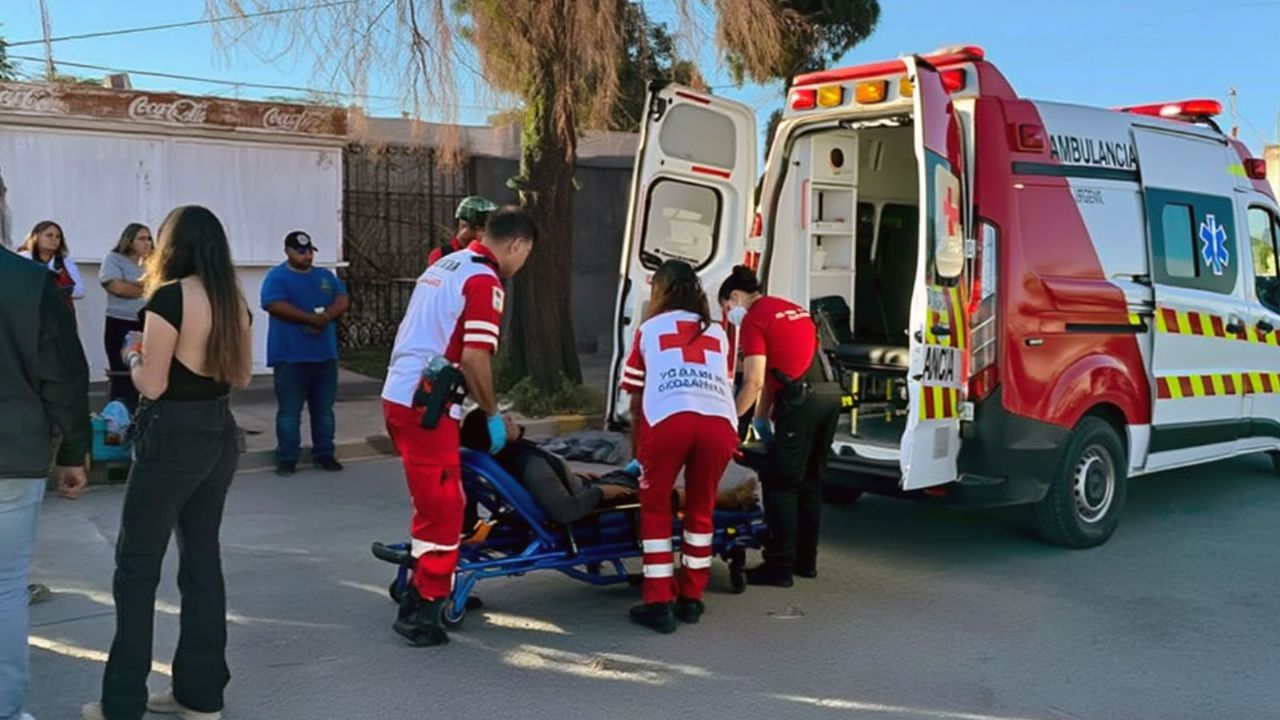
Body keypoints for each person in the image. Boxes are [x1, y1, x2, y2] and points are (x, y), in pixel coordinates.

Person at [82, 206, 253, 720]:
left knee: (136, 568)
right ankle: (201, 695)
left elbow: (152, 385)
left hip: (170, 436)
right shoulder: (232, 300)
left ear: (172, 245)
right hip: (219, 432)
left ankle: (122, 702)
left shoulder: (169, 298)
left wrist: (134, 356)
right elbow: (243, 375)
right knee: (202, 563)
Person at [382, 206, 536, 647]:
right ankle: (423, 610)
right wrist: (491, 413)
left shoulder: (446, 265)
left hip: (401, 395)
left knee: (436, 502)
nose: (521, 265)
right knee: (445, 510)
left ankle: (425, 583)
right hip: (426, 406)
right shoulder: (485, 281)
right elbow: (473, 357)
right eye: (525, 256)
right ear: (517, 244)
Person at [620, 259, 739, 634]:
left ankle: (658, 602)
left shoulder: (650, 329)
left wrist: (639, 451)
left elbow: (636, 398)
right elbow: (724, 379)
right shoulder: (719, 333)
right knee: (700, 512)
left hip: (670, 420)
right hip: (719, 423)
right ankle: (692, 598)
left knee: (656, 511)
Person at [1, 240, 91, 720]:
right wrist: (74, 453)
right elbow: (64, 377)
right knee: (5, 590)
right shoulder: (32, 281)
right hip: (12, 458)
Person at [718, 265, 841, 588]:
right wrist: (759, 422)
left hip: (802, 402)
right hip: (829, 396)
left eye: (727, 308)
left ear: (735, 297)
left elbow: (754, 381)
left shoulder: (755, 319)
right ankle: (806, 562)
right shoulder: (788, 308)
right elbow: (776, 377)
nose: (729, 315)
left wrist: (727, 422)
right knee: (810, 482)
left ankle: (778, 566)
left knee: (779, 481)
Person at [460, 409, 758, 523]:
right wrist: (604, 493)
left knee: (638, 475)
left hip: (584, 487)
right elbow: (565, 511)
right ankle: (733, 500)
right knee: (659, 493)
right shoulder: (528, 464)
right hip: (592, 503)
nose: (511, 419)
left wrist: (573, 475)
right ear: (496, 437)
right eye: (504, 422)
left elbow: (549, 485)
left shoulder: (513, 458)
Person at [260, 230, 351, 476]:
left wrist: (325, 317)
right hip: (290, 356)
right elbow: (274, 304)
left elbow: (342, 298)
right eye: (300, 252)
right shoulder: (276, 277)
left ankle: (325, 454)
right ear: (287, 251)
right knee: (290, 411)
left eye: (309, 251)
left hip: (324, 355)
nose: (306, 255)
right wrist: (310, 318)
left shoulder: (324, 276)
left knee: (323, 410)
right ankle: (288, 457)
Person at [101, 223, 154, 408]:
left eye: (149, 238)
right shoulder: (114, 259)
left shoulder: (154, 262)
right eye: (141, 238)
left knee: (149, 371)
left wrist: (137, 287)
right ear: (129, 240)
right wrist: (149, 287)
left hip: (150, 323)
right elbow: (118, 288)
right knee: (123, 374)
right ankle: (121, 419)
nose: (147, 243)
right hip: (121, 323)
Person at [19, 221, 84, 308]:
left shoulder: (65, 261)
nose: (54, 239)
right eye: (49, 235)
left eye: (58, 236)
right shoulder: (23, 258)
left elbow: (80, 291)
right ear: (36, 237)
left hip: (59, 314)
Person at [427, 196, 498, 267]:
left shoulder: (491, 255)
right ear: (464, 226)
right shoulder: (441, 255)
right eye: (482, 230)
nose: (485, 235)